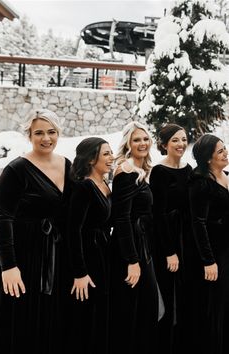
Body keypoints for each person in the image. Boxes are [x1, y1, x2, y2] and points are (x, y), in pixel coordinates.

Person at [0, 109, 72, 354]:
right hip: (22, 257)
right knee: (19, 322)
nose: (46, 138)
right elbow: (2, 218)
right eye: (39, 133)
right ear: (29, 135)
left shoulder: (67, 165)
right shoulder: (15, 170)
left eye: (51, 132)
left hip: (55, 257)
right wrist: (9, 266)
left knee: (50, 324)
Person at [109, 121, 163, 354]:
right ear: (128, 144)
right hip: (129, 250)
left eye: (145, 138)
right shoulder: (126, 171)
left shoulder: (143, 170)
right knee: (133, 310)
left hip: (143, 244)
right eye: (136, 139)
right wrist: (132, 260)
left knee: (145, 308)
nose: (142, 143)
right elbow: (121, 218)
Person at [149, 123, 200, 354]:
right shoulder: (159, 172)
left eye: (183, 139)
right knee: (169, 297)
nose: (180, 144)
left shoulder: (189, 169)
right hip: (168, 242)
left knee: (186, 295)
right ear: (164, 145)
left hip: (187, 240)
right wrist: (170, 251)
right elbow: (158, 215)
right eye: (174, 141)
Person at [67, 137, 113, 354]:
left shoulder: (104, 183)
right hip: (89, 258)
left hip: (103, 253)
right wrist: (80, 272)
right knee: (88, 315)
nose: (111, 158)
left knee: (102, 313)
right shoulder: (84, 187)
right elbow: (73, 231)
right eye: (106, 154)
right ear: (91, 159)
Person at [189, 133, 229, 354]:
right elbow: (199, 223)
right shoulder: (201, 184)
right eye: (220, 151)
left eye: (225, 148)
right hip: (217, 252)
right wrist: (209, 260)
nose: (226, 153)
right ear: (207, 158)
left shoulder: (227, 176)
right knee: (219, 305)